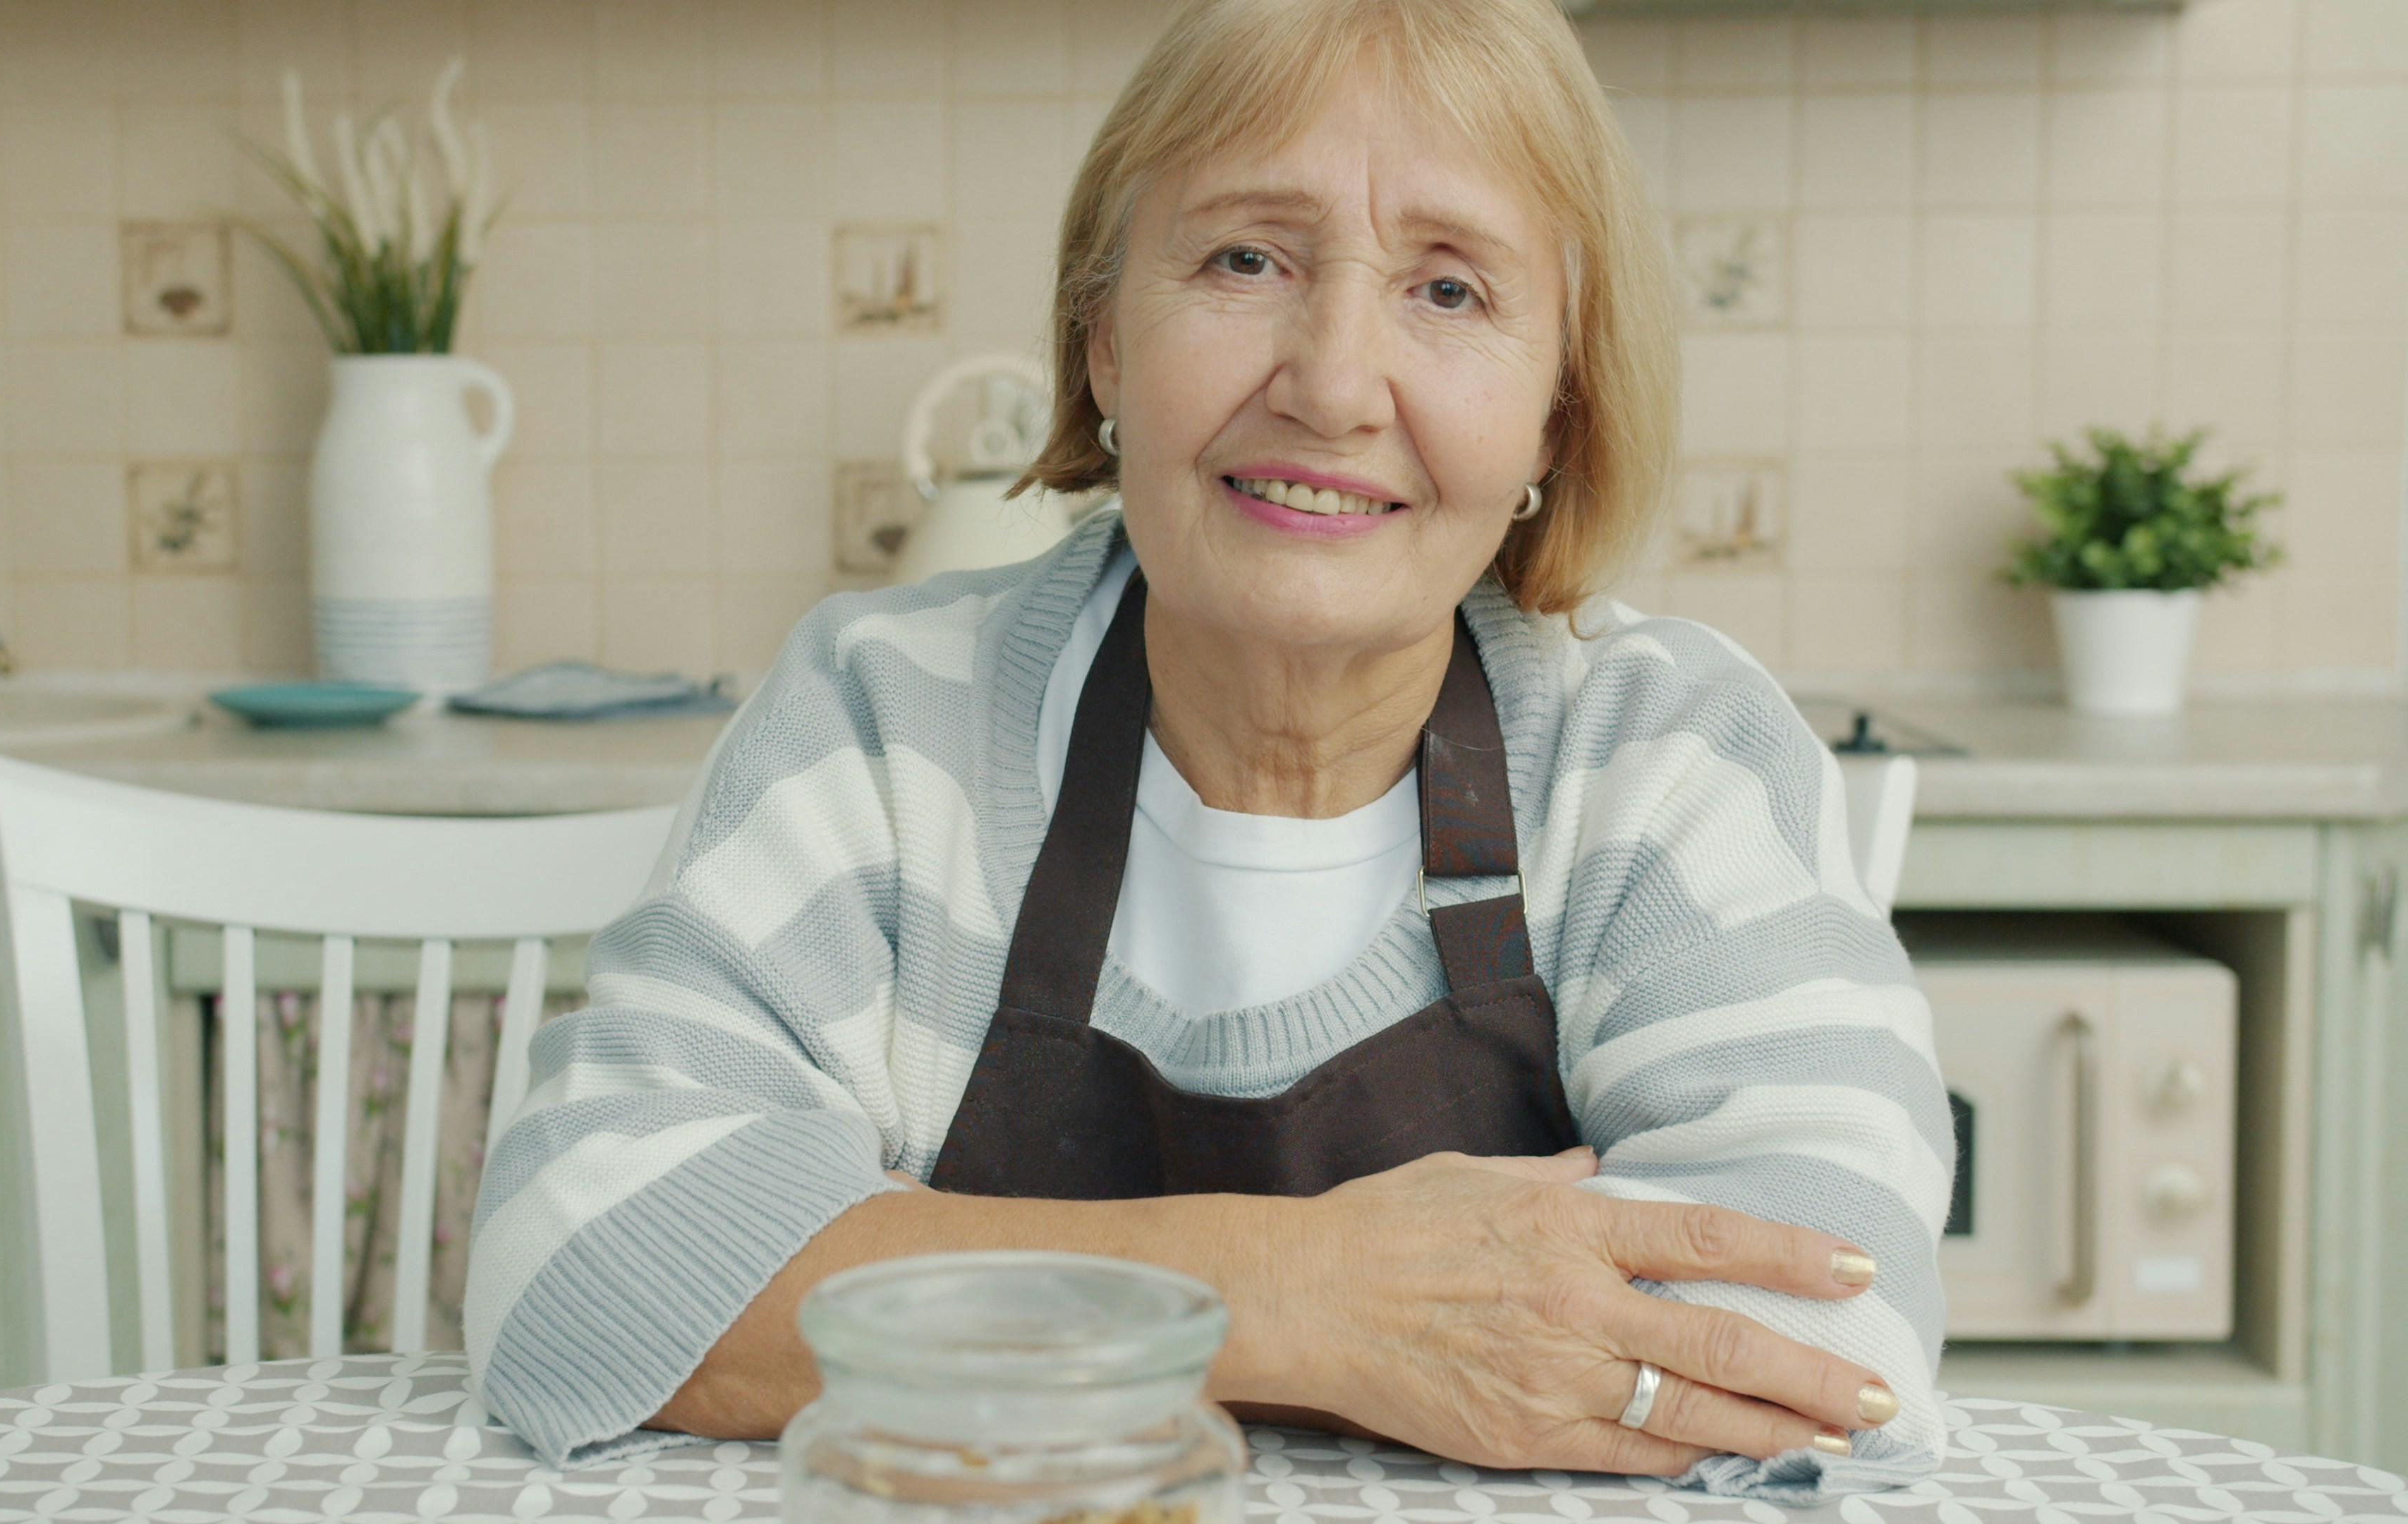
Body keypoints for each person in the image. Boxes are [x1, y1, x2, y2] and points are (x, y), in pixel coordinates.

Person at [468, 0, 1953, 1501]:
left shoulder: (1665, 756)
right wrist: (1298, 1292)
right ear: (1104, 338)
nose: (1330, 382)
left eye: (1449, 290)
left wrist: (923, 1275)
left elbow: (1825, 1327)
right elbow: (592, 1259)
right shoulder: (882, 714)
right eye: (1248, 259)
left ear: (1558, 415)